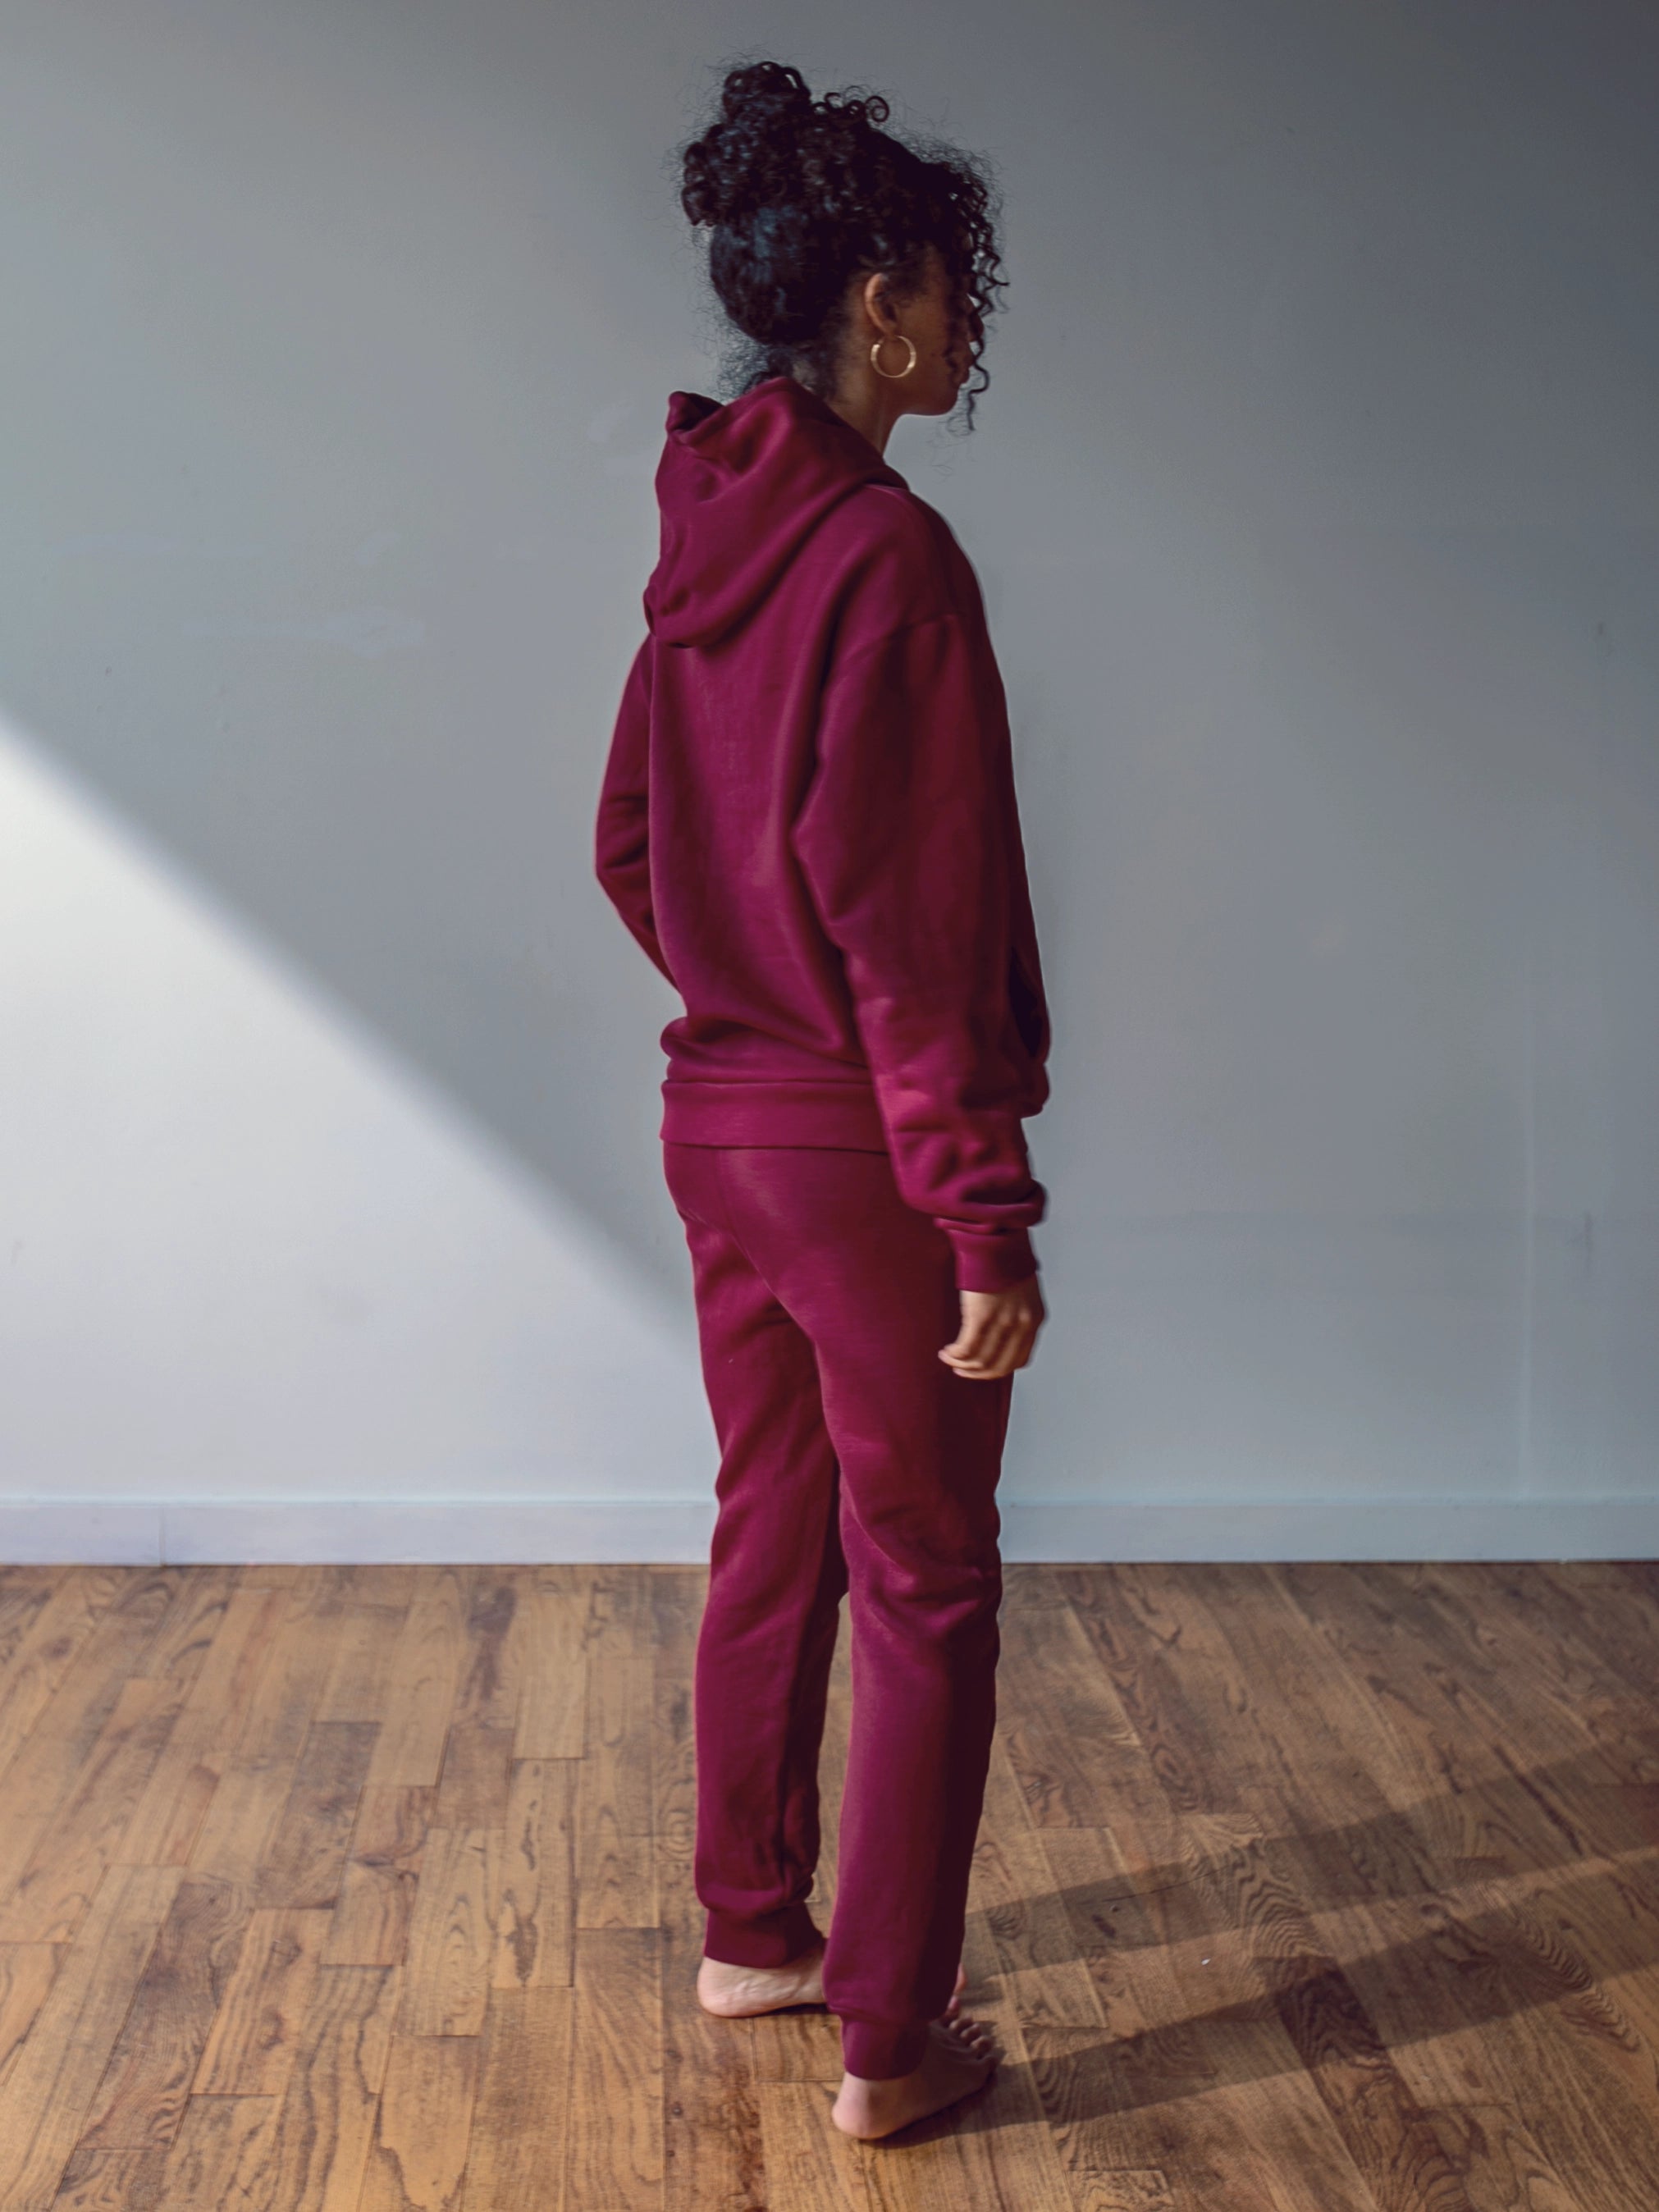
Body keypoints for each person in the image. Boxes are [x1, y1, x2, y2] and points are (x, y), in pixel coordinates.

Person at [594, 57, 1053, 2142]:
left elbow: (628, 838)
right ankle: (892, 2043)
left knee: (774, 1525)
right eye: (956, 291)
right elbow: (917, 924)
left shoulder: (704, 545)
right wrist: (984, 1214)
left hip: (718, 1125)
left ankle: (751, 1927)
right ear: (880, 300)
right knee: (931, 1571)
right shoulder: (892, 559)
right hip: (863, 1146)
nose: (969, 329)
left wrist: (738, 993)